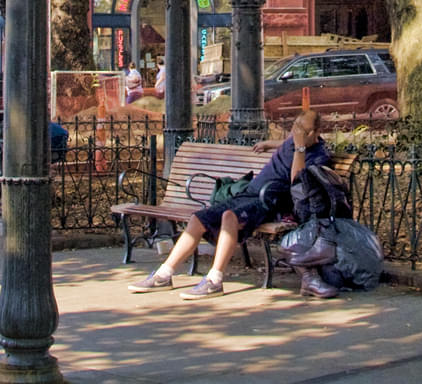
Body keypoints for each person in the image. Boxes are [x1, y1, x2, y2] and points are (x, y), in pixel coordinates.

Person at [133, 109, 330, 298]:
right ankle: (163, 275)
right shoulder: (292, 141)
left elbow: (297, 180)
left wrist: (300, 148)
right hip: (248, 192)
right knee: (199, 218)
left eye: (301, 130)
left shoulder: (317, 154)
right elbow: (285, 142)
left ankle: (214, 280)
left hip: (269, 200)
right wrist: (268, 143)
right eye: (294, 126)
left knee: (230, 217)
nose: (295, 132)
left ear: (314, 133)